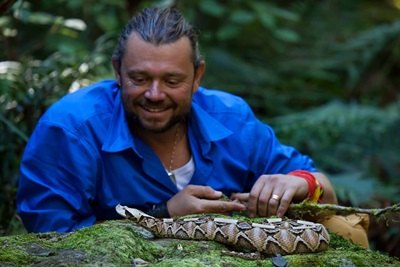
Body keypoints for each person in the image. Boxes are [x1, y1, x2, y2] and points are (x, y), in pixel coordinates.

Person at [17, 7, 338, 234]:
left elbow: (326, 190)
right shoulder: (71, 128)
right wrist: (164, 215)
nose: (155, 95)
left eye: (172, 81)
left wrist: (299, 182)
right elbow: (50, 239)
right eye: (140, 78)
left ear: (197, 76)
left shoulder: (232, 118)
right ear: (117, 70)